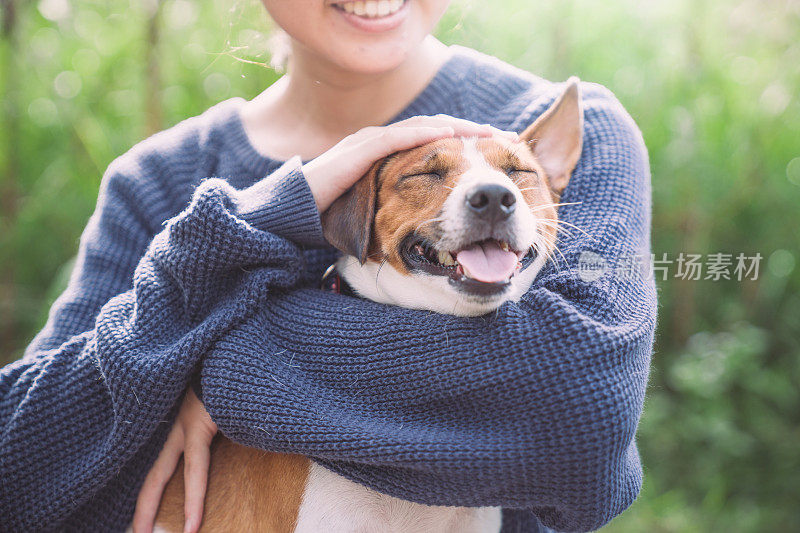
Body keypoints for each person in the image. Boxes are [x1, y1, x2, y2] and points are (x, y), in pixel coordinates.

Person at [0, 1, 656, 532]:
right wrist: (246, 227)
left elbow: (580, 405)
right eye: (425, 176)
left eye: (512, 175)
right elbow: (21, 464)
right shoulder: (159, 183)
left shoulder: (575, 129)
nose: (494, 190)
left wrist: (217, 368)